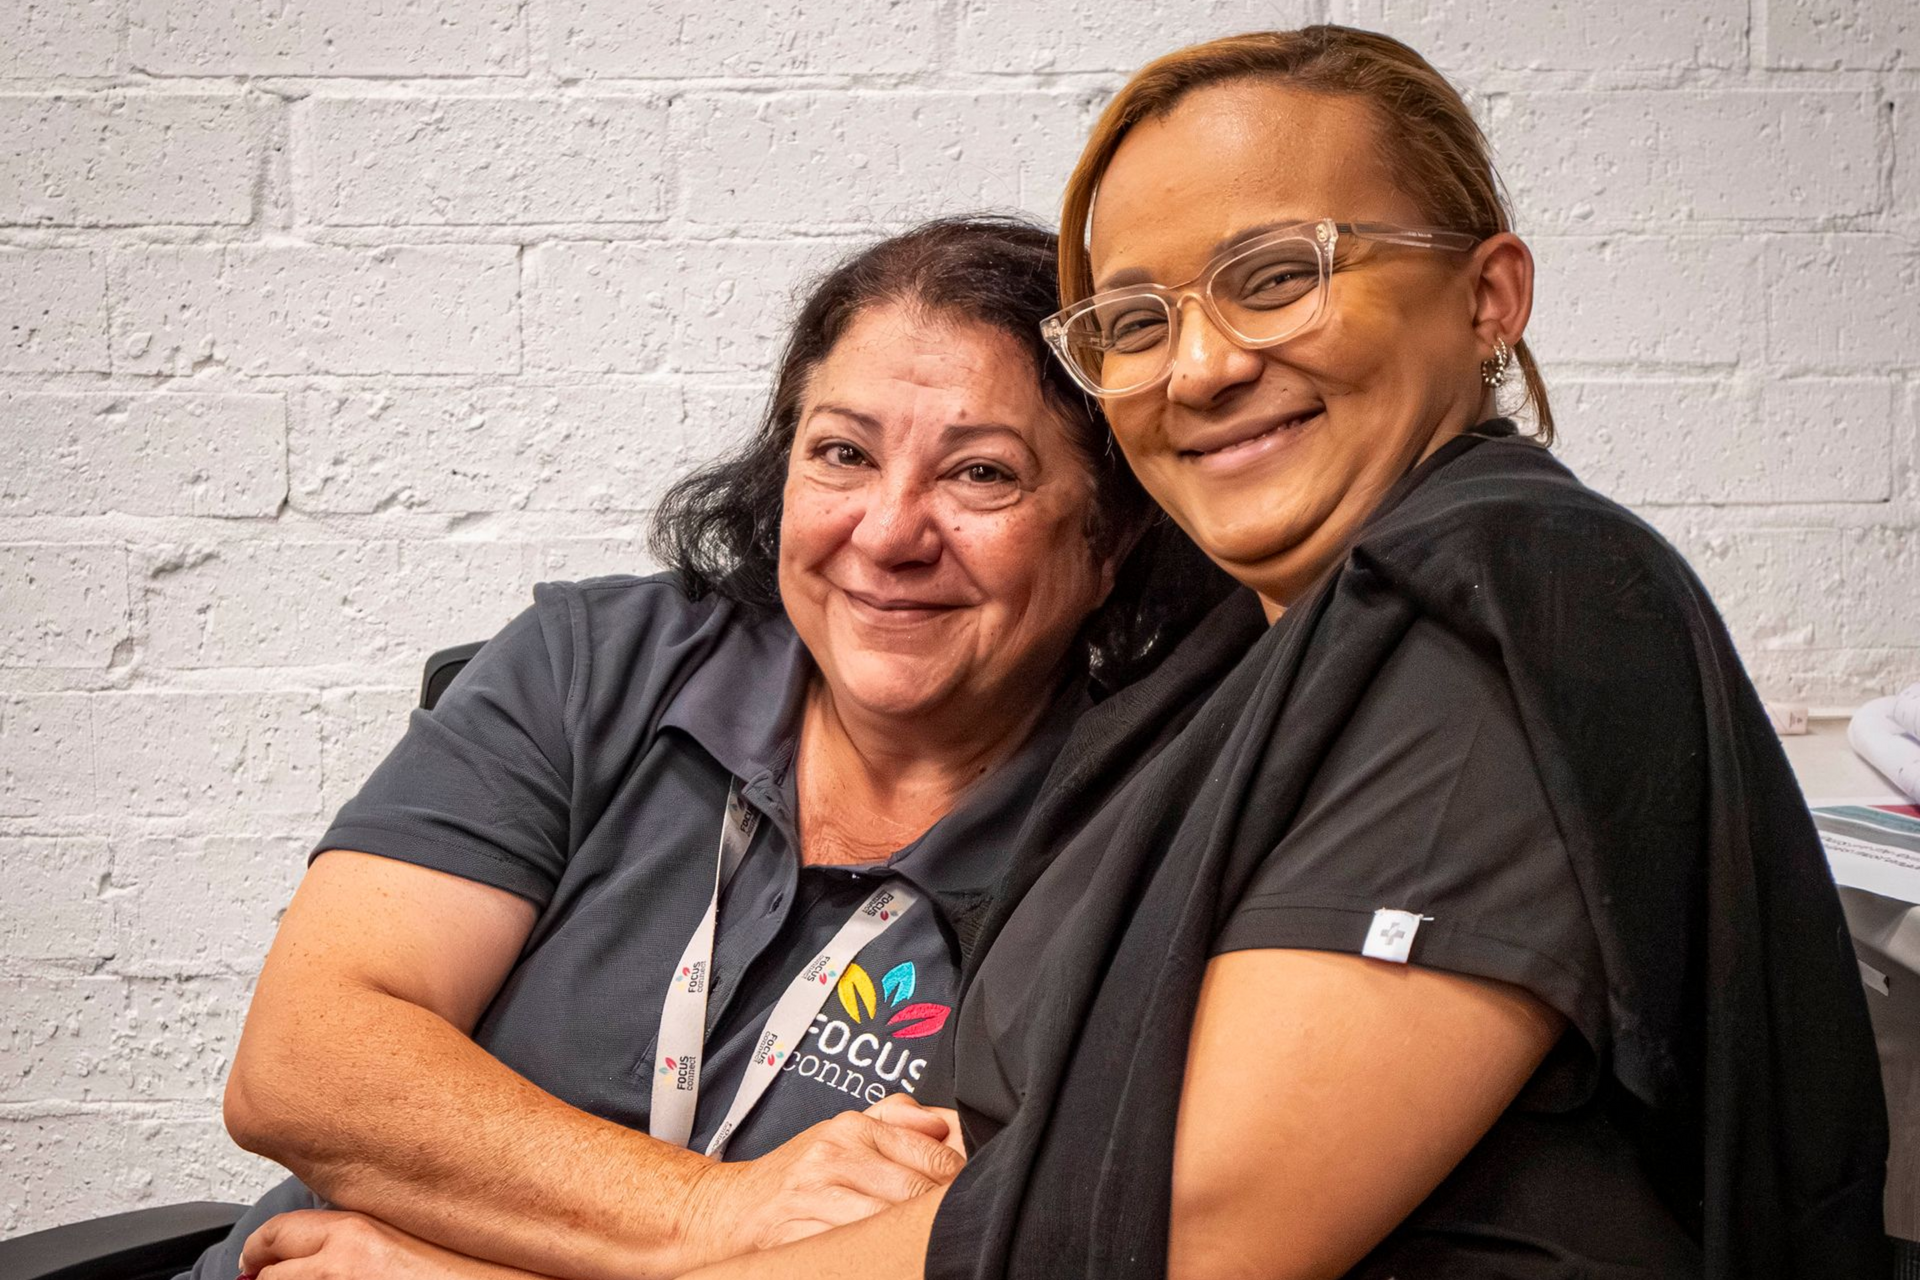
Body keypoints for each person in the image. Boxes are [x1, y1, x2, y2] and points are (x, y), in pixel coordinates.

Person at [237, 26, 1890, 1280]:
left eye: (1277, 276)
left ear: (1488, 296)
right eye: (1141, 321)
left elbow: (1174, 1227)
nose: (1207, 364)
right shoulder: (1285, 664)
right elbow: (304, 1063)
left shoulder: (1487, 601)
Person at [182, 216, 1220, 1280]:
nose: (890, 531)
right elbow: (301, 1063)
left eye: (982, 474)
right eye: (843, 453)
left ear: (1112, 535)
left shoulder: (1126, 850)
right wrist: (715, 1213)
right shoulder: (598, 663)